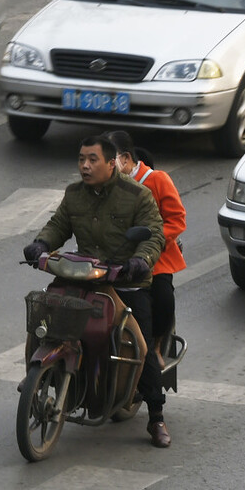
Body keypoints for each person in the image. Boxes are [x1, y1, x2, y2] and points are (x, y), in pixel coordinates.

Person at [22, 135, 170, 447]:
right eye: (81, 160)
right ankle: (38, 374)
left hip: (126, 281)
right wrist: (42, 244)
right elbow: (59, 224)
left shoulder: (137, 195)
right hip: (86, 275)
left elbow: (154, 234)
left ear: (111, 162)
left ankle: (156, 416)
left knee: (140, 346)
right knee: (46, 318)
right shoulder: (74, 194)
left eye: (92, 160)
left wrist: (140, 261)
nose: (85, 166)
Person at [104, 131, 187, 365]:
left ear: (126, 159)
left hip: (155, 258)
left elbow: (177, 220)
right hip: (116, 257)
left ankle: (157, 345)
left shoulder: (158, 180)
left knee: (163, 299)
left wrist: (151, 242)